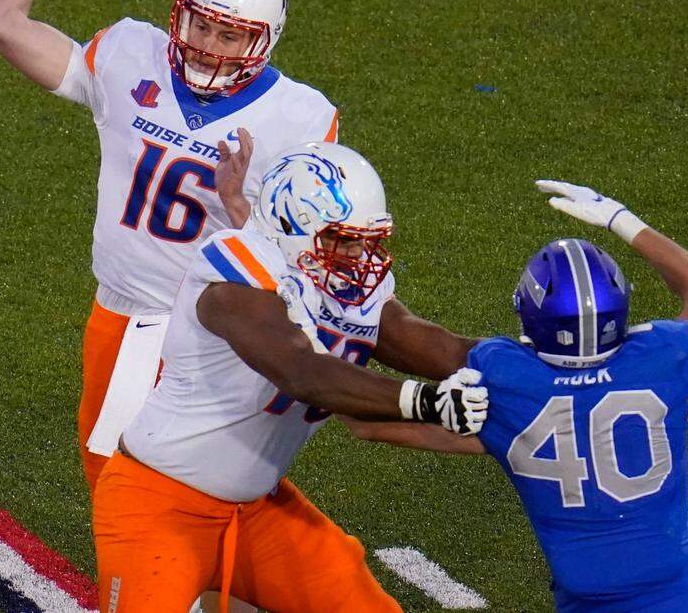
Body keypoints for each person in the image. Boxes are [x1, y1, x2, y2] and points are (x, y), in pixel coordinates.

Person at [0, 0, 341, 495]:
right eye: (199, 25)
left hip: (219, 333)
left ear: (264, 41)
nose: (206, 46)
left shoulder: (301, 118)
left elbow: (303, 269)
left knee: (193, 493)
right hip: (122, 320)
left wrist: (237, 203)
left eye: (229, 36)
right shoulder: (128, 53)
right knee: (127, 489)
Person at [93, 142, 489, 613]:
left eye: (368, 240)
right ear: (291, 225)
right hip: (157, 507)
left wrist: (527, 363)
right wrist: (425, 401)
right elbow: (300, 370)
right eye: (344, 238)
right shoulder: (234, 269)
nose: (360, 255)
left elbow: (421, 341)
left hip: (258, 512)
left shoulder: (336, 284)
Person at [346, 180, 688, 612]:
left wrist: (328, 333)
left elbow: (365, 420)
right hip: (681, 598)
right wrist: (621, 220)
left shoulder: (508, 382)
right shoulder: (667, 359)